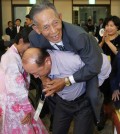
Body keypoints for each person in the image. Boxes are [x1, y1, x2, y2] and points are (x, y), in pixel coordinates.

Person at [22, 48, 111, 134]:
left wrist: (95, 83)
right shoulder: (39, 61)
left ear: (47, 62)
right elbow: (42, 99)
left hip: (83, 103)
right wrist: (34, 115)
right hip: (63, 103)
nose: (35, 77)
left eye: (36, 73)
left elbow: (103, 61)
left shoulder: (71, 60)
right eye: (32, 73)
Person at [0, 28, 48, 134]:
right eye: (29, 46)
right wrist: (26, 108)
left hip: (18, 99)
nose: (29, 49)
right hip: (15, 102)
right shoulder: (10, 59)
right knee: (23, 127)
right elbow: (15, 87)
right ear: (21, 41)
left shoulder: (15, 54)